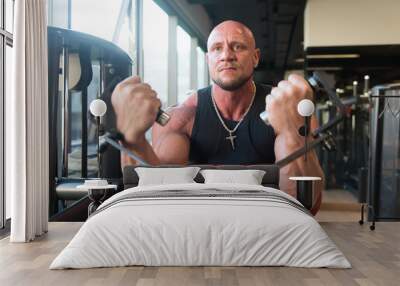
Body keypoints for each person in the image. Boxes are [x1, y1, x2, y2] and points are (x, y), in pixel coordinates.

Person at [111, 20, 324, 214]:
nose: (227, 55)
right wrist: (133, 139)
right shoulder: (182, 116)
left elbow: (304, 205)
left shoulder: (286, 109)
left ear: (256, 57)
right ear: (208, 59)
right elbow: (159, 197)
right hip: (199, 219)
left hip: (270, 217)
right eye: (217, 48)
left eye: (238, 46)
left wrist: (291, 133)